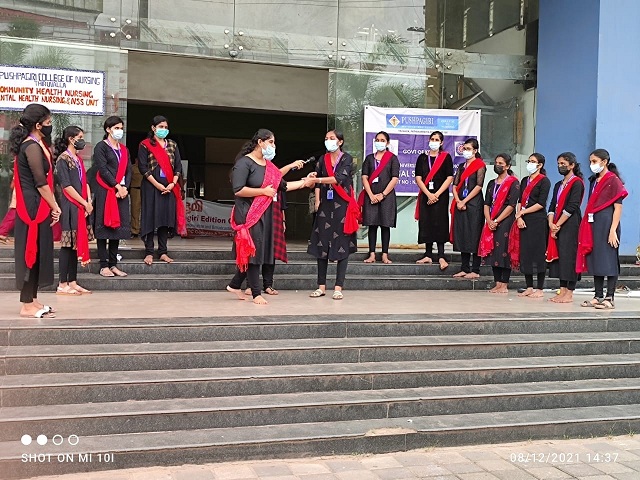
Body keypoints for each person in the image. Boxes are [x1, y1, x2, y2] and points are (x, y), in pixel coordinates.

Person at [226, 129, 313, 305]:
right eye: (271, 142)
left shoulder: (269, 167)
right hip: (248, 214)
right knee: (253, 252)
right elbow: (238, 190)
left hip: (265, 214)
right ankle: (256, 293)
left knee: (259, 250)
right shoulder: (244, 163)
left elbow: (284, 186)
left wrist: (305, 182)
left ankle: (234, 285)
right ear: (260, 142)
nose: (273, 146)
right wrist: (263, 191)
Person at [10, 103, 61, 318]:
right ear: (38, 125)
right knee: (30, 251)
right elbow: (40, 182)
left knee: (38, 251)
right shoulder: (30, 146)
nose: (50, 126)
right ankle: (26, 304)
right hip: (33, 206)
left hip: (38, 204)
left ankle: (33, 300)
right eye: (48, 122)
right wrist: (55, 206)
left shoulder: (37, 144)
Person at [307, 129, 359, 300]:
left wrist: (317, 179)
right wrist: (317, 198)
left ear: (340, 142)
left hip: (342, 205)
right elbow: (317, 181)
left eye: (332, 138)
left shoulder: (347, 159)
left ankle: (338, 287)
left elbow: (338, 178)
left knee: (342, 243)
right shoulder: (322, 159)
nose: (328, 141)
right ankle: (321, 286)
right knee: (321, 243)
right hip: (325, 206)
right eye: (326, 138)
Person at [577, 149, 628, 309]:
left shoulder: (613, 180)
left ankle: (609, 297)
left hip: (608, 224)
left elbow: (618, 208)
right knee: (595, 259)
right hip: (594, 225)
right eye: (590, 162)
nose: (592, 164)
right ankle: (597, 295)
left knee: (609, 259)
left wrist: (613, 230)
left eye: (594, 161)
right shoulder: (594, 181)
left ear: (604, 162)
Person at [138, 115, 186, 265]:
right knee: (150, 217)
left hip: (169, 186)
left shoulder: (172, 144)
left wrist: (173, 183)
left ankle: (163, 252)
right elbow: (142, 167)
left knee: (165, 218)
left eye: (165, 127)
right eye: (160, 127)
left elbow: (178, 166)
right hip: (151, 186)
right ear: (153, 128)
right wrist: (158, 185)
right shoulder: (145, 144)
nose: (163, 130)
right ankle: (149, 252)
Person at [53, 126, 94, 295]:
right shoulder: (63, 159)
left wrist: (88, 202)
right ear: (71, 139)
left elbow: (85, 183)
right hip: (70, 205)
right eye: (80, 137)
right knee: (67, 245)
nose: (82, 140)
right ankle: (62, 283)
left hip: (81, 205)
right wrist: (84, 203)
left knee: (75, 245)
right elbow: (67, 186)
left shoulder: (78, 159)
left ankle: (73, 281)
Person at [93, 116, 132, 277]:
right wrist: (117, 186)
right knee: (104, 227)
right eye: (116, 128)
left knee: (117, 229)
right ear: (108, 129)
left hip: (121, 193)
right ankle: (104, 265)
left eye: (121, 128)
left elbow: (129, 170)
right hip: (106, 191)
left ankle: (113, 264)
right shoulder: (101, 147)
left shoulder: (124, 149)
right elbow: (103, 169)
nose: (119, 131)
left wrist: (125, 188)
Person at [547, 152, 585, 304]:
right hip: (556, 223)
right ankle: (562, 290)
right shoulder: (558, 184)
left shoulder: (577, 183)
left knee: (570, 257)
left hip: (570, 224)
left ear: (572, 165)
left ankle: (569, 292)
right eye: (558, 164)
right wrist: (551, 223)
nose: (560, 166)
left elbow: (572, 206)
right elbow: (552, 205)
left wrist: (558, 224)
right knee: (560, 258)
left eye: (563, 164)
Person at [479, 153, 520, 293]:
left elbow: (511, 205)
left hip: (506, 221)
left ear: (507, 166)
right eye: (496, 163)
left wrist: (496, 220)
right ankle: (497, 283)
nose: (497, 165)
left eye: (501, 163)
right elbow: (486, 203)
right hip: (491, 221)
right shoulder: (491, 183)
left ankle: (504, 284)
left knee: (504, 251)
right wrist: (489, 220)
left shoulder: (513, 183)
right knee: (494, 252)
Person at [414, 130, 454, 269]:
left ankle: (441, 255)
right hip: (426, 195)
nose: (434, 142)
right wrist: (429, 194)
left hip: (440, 196)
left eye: (437, 140)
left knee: (440, 223)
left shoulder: (446, 157)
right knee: (426, 222)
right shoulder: (422, 158)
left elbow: (449, 177)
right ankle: (428, 254)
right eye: (432, 139)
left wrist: (436, 194)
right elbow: (418, 178)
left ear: (441, 142)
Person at [513, 153, 551, 298]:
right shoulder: (525, 180)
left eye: (533, 161)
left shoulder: (544, 181)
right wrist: (519, 216)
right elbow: (520, 201)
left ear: (540, 165)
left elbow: (541, 204)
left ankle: (539, 288)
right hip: (524, 220)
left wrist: (522, 212)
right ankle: (529, 286)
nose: (530, 163)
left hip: (538, 220)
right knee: (526, 253)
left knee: (539, 253)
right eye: (529, 161)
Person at [360, 131, 399, 264]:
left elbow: (394, 179)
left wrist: (382, 195)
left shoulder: (392, 158)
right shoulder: (369, 158)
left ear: (387, 143)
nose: (379, 142)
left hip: (386, 197)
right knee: (372, 225)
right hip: (371, 196)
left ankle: (384, 255)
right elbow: (364, 177)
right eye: (377, 140)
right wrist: (371, 195)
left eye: (382, 140)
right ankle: (371, 254)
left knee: (385, 225)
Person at [451, 138, 486, 279]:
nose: (466, 151)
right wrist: (458, 200)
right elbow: (455, 185)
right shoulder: (461, 166)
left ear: (475, 150)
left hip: (474, 204)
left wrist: (465, 200)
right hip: (460, 203)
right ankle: (464, 268)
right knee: (463, 234)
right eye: (464, 148)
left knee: (475, 235)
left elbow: (478, 186)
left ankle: (475, 270)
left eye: (468, 149)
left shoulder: (480, 165)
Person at [129, 157, 143, 237]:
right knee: (135, 211)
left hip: (145, 190)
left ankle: (145, 229)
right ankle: (135, 230)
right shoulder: (132, 168)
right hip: (135, 189)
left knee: (146, 211)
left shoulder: (146, 167)